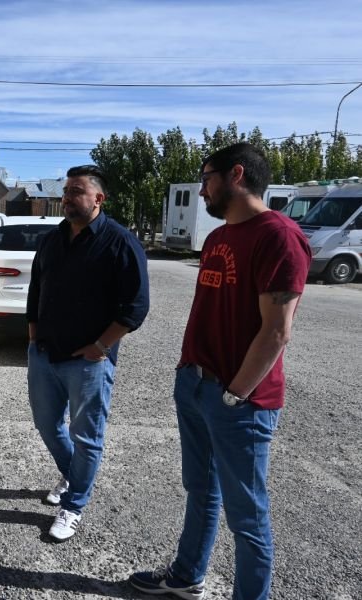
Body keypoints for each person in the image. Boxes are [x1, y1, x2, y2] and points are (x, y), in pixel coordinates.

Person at [129, 144, 311, 600]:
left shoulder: (279, 236)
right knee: (200, 490)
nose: (202, 187)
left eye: (206, 177)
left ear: (236, 174)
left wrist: (235, 394)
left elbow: (276, 332)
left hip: (240, 400)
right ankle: (187, 575)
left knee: (247, 519)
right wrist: (189, 374)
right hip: (194, 382)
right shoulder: (216, 238)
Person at [27, 164, 149, 541]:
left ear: (99, 198)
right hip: (45, 354)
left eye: (76, 191)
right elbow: (35, 292)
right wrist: (33, 339)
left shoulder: (119, 241)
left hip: (89, 362)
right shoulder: (52, 240)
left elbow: (135, 306)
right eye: (66, 191)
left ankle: (74, 504)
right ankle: (73, 475)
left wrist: (101, 346)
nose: (67, 198)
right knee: (47, 425)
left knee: (87, 436)